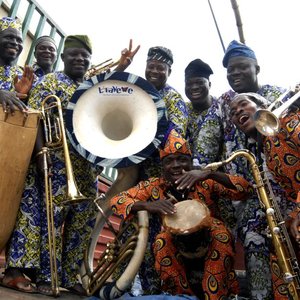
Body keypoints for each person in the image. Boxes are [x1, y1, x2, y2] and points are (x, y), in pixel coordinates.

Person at [2, 35, 140, 296]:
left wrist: (121, 66)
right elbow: (36, 117)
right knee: (50, 221)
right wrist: (41, 152)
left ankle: (69, 276)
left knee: (82, 223)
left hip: (85, 167)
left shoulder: (92, 84)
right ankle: (47, 276)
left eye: (85, 56)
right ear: (63, 58)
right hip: (52, 162)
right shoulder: (50, 81)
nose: (80, 59)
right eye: (74, 55)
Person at [196, 40, 290, 299]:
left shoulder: (278, 94)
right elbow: (205, 144)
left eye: (241, 68)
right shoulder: (223, 104)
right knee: (253, 235)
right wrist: (197, 170)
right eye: (229, 70)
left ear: (257, 68)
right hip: (247, 192)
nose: (234, 74)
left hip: (287, 187)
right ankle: (260, 295)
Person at [111, 129, 253, 299]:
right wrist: (149, 205)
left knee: (221, 235)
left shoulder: (205, 180)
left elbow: (245, 189)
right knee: (161, 241)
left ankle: (216, 296)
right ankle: (181, 297)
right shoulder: (155, 185)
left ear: (191, 163)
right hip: (175, 240)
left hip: (210, 235)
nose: (176, 165)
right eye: (169, 161)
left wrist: (209, 173)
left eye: (182, 159)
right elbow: (117, 201)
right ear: (163, 167)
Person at [229, 92, 300, 299]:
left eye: (243, 105)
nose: (238, 112)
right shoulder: (265, 152)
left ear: (262, 106)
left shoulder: (286, 121)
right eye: (233, 113)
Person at [184, 58, 222, 167]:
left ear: (209, 84)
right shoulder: (182, 110)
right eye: (189, 84)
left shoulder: (221, 107)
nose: (194, 87)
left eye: (200, 82)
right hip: (187, 173)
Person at [0, 16, 34, 113]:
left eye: (19, 40)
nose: (15, 43)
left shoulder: (22, 75)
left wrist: (22, 96)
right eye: (9, 37)